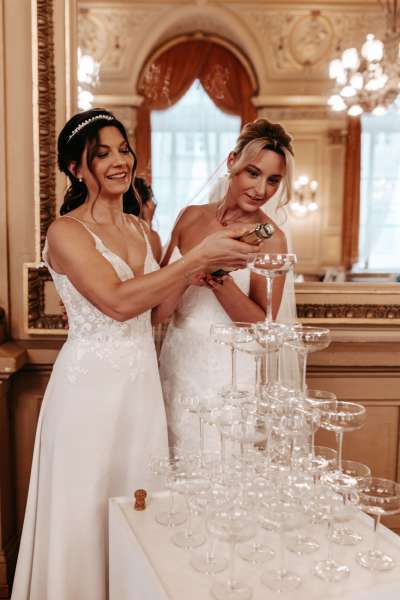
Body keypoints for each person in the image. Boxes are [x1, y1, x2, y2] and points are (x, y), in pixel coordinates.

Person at [11, 108, 256, 600]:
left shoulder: (144, 232)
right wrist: (194, 258)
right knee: (84, 508)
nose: (119, 161)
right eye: (102, 154)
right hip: (87, 394)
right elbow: (118, 303)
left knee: (137, 508)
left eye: (123, 149)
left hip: (140, 390)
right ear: (76, 169)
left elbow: (155, 314)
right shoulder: (65, 232)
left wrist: (197, 274)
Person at [155, 118, 297, 449]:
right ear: (232, 162)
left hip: (228, 375)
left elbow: (262, 329)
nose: (261, 190)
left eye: (273, 180)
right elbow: (158, 307)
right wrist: (190, 271)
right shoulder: (190, 216)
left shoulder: (270, 238)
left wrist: (220, 278)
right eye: (253, 173)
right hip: (176, 362)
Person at [124, 176, 163, 263]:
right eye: (151, 199)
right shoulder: (153, 238)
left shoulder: (113, 233)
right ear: (148, 205)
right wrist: (148, 222)